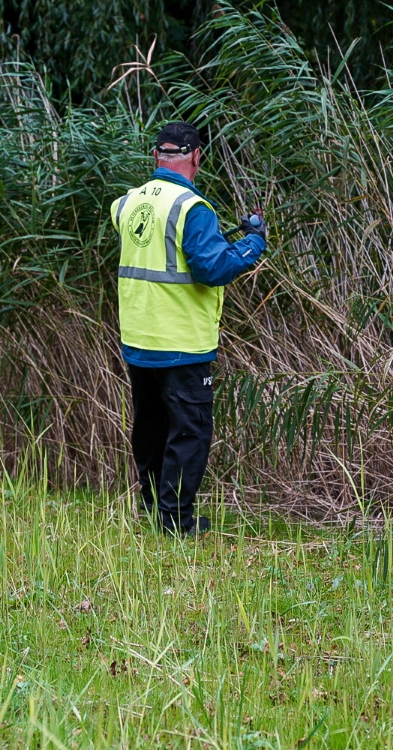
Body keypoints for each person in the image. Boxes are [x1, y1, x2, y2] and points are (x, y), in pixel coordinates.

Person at [109, 122, 266, 536]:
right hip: (182, 343)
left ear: (156, 156)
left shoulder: (126, 204)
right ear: (196, 156)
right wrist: (251, 245)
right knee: (189, 431)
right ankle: (177, 522)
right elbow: (212, 268)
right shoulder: (192, 209)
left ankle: (154, 509)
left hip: (139, 339)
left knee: (150, 427)